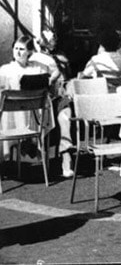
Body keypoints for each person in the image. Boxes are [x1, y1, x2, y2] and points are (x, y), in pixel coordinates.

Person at [0, 36, 56, 164]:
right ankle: (27, 143)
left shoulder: (36, 69)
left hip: (32, 116)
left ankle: (28, 141)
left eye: (21, 49)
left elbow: (54, 74)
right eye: (15, 48)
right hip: (12, 114)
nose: (17, 52)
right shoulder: (5, 70)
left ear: (30, 52)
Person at [31, 30, 75, 177]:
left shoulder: (61, 57)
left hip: (58, 97)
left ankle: (66, 159)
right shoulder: (35, 59)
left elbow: (67, 78)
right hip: (41, 100)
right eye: (51, 40)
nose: (54, 42)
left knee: (65, 117)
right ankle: (41, 161)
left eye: (54, 39)